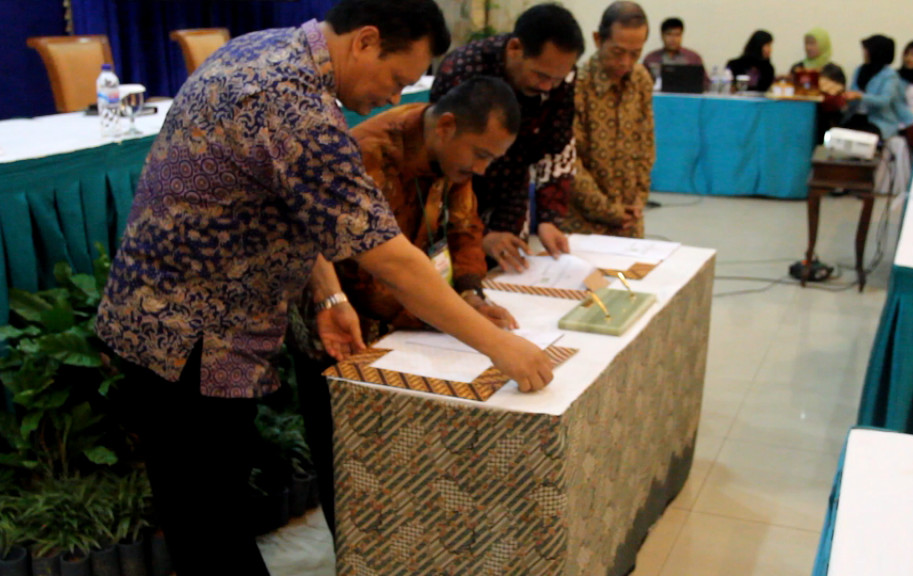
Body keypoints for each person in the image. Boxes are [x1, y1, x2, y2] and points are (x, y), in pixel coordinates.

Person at [94, 1, 554, 574]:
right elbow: (391, 258)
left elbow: (283, 200)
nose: (393, 98)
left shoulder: (262, 48)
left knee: (207, 522)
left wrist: (326, 294)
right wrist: (498, 345)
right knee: (212, 535)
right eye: (396, 79)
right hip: (191, 340)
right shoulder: (297, 104)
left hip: (173, 325)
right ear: (365, 41)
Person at [289, 76, 522, 534]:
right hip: (341, 325)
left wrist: (471, 293)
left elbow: (465, 225)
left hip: (409, 320)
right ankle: (354, 556)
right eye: (480, 155)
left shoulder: (450, 155)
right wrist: (452, 319)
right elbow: (366, 276)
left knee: (406, 464)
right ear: (447, 126)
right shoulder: (367, 155)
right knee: (348, 464)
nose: (481, 169)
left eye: (492, 160)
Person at [431, 3, 585, 273]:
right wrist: (479, 235)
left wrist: (548, 219)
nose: (547, 87)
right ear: (515, 48)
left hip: (512, 195)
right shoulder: (464, 71)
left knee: (510, 275)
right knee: (464, 278)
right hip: (456, 202)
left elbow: (557, 146)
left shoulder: (561, 77)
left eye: (556, 80)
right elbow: (443, 165)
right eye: (541, 75)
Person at [563, 1, 655, 238]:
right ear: (598, 39)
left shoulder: (641, 79)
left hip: (630, 219)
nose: (625, 62)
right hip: (583, 223)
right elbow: (569, 161)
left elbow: (646, 144)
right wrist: (608, 211)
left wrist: (638, 199)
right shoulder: (576, 84)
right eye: (618, 52)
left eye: (635, 54)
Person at [842, 34, 913, 140]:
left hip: (878, 121)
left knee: (864, 138)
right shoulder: (860, 70)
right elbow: (852, 94)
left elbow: (884, 101)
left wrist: (860, 96)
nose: (864, 53)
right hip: (855, 117)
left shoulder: (889, 75)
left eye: (866, 50)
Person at [641, 17, 707, 86]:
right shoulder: (651, 59)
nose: (673, 39)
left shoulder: (693, 58)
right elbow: (641, 84)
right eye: (669, 34)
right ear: (662, 36)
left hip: (686, 93)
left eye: (677, 35)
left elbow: (705, 84)